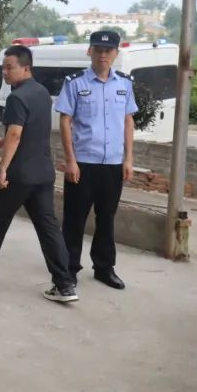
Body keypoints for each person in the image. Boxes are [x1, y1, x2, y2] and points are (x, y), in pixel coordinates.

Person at [0, 45, 78, 303]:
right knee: (48, 227)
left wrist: (3, 169)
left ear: (26, 68)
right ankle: (65, 284)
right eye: (3, 67)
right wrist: (1, 141)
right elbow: (29, 130)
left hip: (19, 174)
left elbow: (16, 133)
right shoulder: (42, 93)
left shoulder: (16, 97)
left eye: (10, 67)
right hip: (43, 173)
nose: (5, 72)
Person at [55, 31, 136, 290]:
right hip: (83, 164)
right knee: (74, 219)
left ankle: (104, 268)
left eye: (108, 50)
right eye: (98, 50)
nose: (103, 55)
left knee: (106, 218)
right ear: (89, 51)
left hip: (113, 164)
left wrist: (128, 159)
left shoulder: (125, 84)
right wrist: (71, 160)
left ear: (116, 53)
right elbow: (65, 121)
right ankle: (68, 270)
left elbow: (128, 121)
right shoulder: (75, 83)